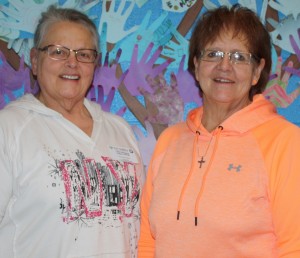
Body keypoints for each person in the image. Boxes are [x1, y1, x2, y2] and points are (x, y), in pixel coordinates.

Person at [138, 4, 300, 258]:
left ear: (257, 71)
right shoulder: (170, 140)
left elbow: (295, 248)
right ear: (196, 65)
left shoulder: (285, 142)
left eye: (238, 57)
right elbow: (148, 241)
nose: (224, 66)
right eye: (213, 54)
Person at [0, 5, 144, 258]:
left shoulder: (120, 131)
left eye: (84, 54)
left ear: (94, 65)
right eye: (58, 52)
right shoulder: (9, 127)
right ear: (35, 60)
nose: (72, 63)